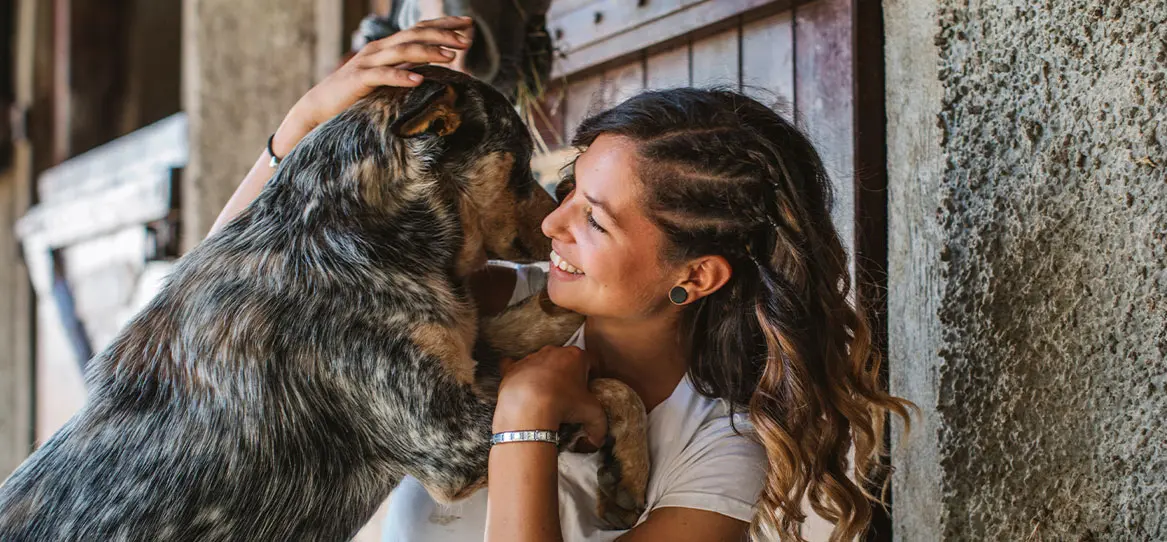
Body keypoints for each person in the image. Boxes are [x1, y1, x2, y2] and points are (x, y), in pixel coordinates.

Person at [211, 16, 916, 542]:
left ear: (696, 275)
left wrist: (525, 414)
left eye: (595, 221)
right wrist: (298, 129)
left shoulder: (717, 453)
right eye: (568, 190)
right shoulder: (492, 301)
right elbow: (228, 309)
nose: (551, 225)